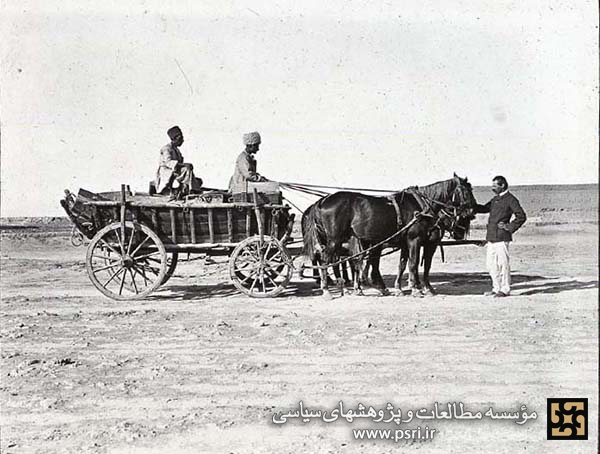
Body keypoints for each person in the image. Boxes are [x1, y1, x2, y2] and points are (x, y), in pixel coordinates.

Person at [475, 175, 527, 297]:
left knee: (503, 264)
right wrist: (472, 205)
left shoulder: (511, 199)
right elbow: (484, 208)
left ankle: (505, 289)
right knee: (491, 265)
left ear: (502, 185)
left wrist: (509, 227)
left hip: (502, 237)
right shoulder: (495, 199)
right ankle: (496, 288)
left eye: (494, 186)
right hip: (491, 238)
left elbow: (521, 216)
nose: (492, 188)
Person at [155, 126, 202, 199]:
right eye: (181, 139)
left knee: (194, 177)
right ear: (175, 138)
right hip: (167, 171)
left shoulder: (176, 150)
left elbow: (179, 162)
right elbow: (168, 162)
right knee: (186, 170)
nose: (182, 140)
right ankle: (191, 189)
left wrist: (184, 165)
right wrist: (184, 165)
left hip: (175, 170)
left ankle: (188, 188)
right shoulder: (166, 149)